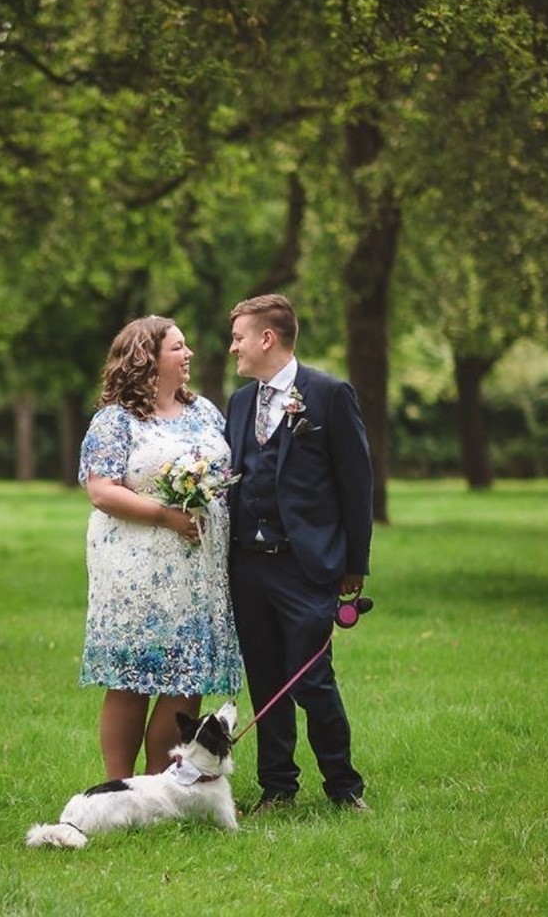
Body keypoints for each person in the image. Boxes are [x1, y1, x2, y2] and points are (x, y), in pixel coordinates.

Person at [223, 294, 373, 812]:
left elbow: (357, 485)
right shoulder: (240, 402)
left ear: (267, 338)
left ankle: (344, 787)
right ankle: (278, 787)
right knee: (265, 677)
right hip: (247, 565)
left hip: (305, 563)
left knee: (311, 675)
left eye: (239, 337)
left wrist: (355, 564)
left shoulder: (329, 395)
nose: (232, 348)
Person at [77, 315, 242, 780]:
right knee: (132, 678)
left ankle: (160, 785)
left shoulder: (205, 412)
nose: (188, 354)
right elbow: (102, 491)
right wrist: (166, 516)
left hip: (200, 569)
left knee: (187, 675)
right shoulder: (115, 421)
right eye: (178, 347)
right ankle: (117, 785)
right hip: (137, 566)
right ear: (147, 358)